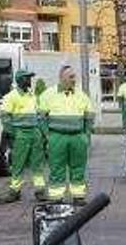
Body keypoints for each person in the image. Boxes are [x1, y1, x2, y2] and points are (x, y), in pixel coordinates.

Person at [39, 66, 95, 204]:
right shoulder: (48, 94)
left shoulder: (81, 95)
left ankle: (78, 196)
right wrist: (47, 135)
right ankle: (56, 197)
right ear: (61, 78)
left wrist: (86, 135)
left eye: (74, 77)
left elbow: (89, 116)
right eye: (71, 77)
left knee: (78, 167)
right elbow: (41, 117)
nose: (74, 80)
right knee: (56, 167)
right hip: (57, 136)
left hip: (77, 137)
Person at [0, 69, 46, 203]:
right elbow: (6, 119)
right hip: (20, 134)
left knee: (37, 163)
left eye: (30, 78)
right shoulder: (10, 97)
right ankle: (15, 191)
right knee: (18, 164)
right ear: (19, 80)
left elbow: (38, 115)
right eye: (27, 78)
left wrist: (41, 133)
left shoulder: (32, 95)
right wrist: (14, 135)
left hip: (34, 133)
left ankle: (40, 191)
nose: (29, 81)